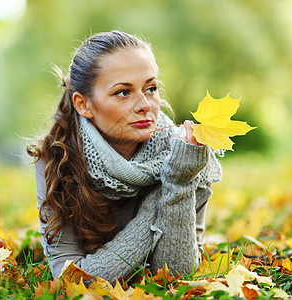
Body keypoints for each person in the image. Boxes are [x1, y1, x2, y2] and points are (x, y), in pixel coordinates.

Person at [27, 31, 222, 282]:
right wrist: (158, 202)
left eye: (150, 88)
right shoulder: (57, 158)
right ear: (83, 104)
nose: (145, 105)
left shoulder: (184, 156)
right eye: (123, 92)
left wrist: (179, 181)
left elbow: (176, 275)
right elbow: (72, 279)